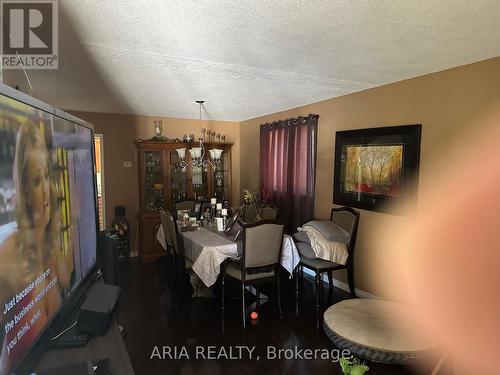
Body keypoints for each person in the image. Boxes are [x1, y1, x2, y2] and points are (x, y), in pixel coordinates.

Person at [0, 121, 74, 373]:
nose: (45, 190)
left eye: (46, 176)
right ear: (23, 187)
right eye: (35, 180)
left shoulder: (50, 244)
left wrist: (73, 223)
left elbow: (67, 280)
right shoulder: (10, 251)